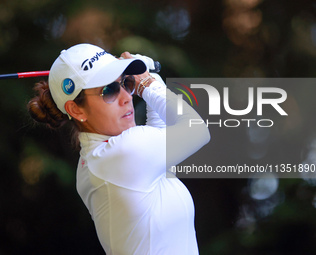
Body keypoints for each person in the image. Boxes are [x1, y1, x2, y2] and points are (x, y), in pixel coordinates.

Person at [28, 43, 210, 255]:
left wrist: (149, 81)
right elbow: (197, 130)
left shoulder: (98, 158)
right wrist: (148, 84)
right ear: (76, 109)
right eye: (109, 90)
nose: (127, 97)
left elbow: (163, 132)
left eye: (126, 82)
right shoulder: (124, 153)